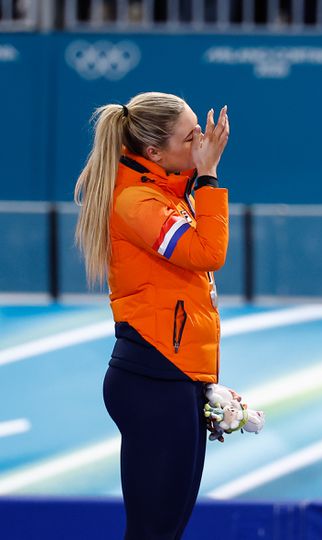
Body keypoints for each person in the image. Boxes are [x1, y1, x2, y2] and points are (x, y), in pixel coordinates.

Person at [74, 92, 230, 539]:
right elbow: (208, 252)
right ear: (156, 153)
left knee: (165, 531)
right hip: (152, 380)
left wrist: (203, 382)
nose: (202, 141)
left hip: (173, 376)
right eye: (191, 136)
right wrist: (209, 176)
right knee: (153, 532)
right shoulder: (138, 202)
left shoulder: (166, 196)